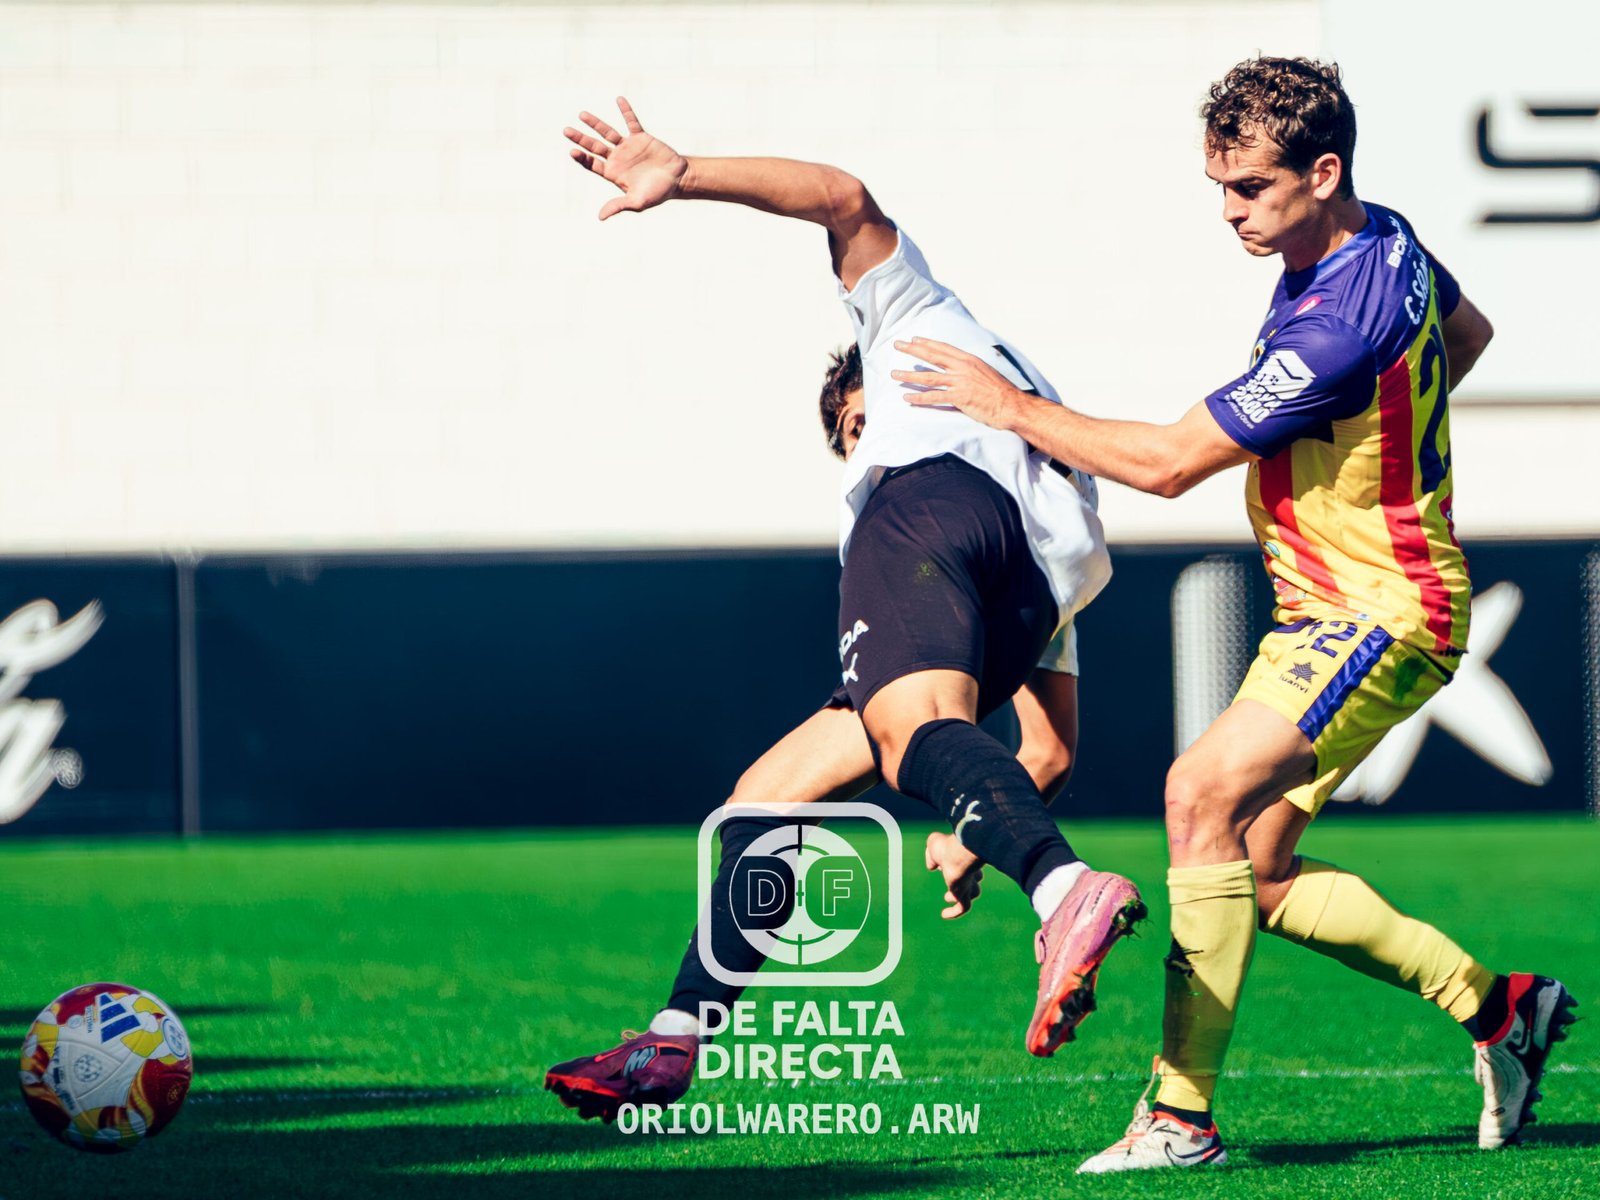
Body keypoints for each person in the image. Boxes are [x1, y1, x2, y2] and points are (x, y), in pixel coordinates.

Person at [888, 57, 1575, 1172]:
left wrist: (1004, 406)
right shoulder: (1382, 236)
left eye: (1250, 188)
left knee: (1193, 795)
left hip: (1382, 606)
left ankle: (1178, 1120)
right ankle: (1501, 1012)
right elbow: (1470, 331)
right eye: (1219, 186)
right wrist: (1390, 442)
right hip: (1327, 607)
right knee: (1253, 874)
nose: (1230, 213)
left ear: (1323, 169)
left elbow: (1164, 467)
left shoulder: (1338, 324)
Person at [544, 96, 1147, 1122]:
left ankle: (1061, 888)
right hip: (1045, 579)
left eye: (856, 424)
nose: (855, 442)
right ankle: (678, 1035)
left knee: (911, 731)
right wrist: (976, 826)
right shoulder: (1029, 433)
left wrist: (679, 172)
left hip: (938, 516)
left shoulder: (906, 321)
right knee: (766, 795)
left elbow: (842, 196)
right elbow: (1046, 753)